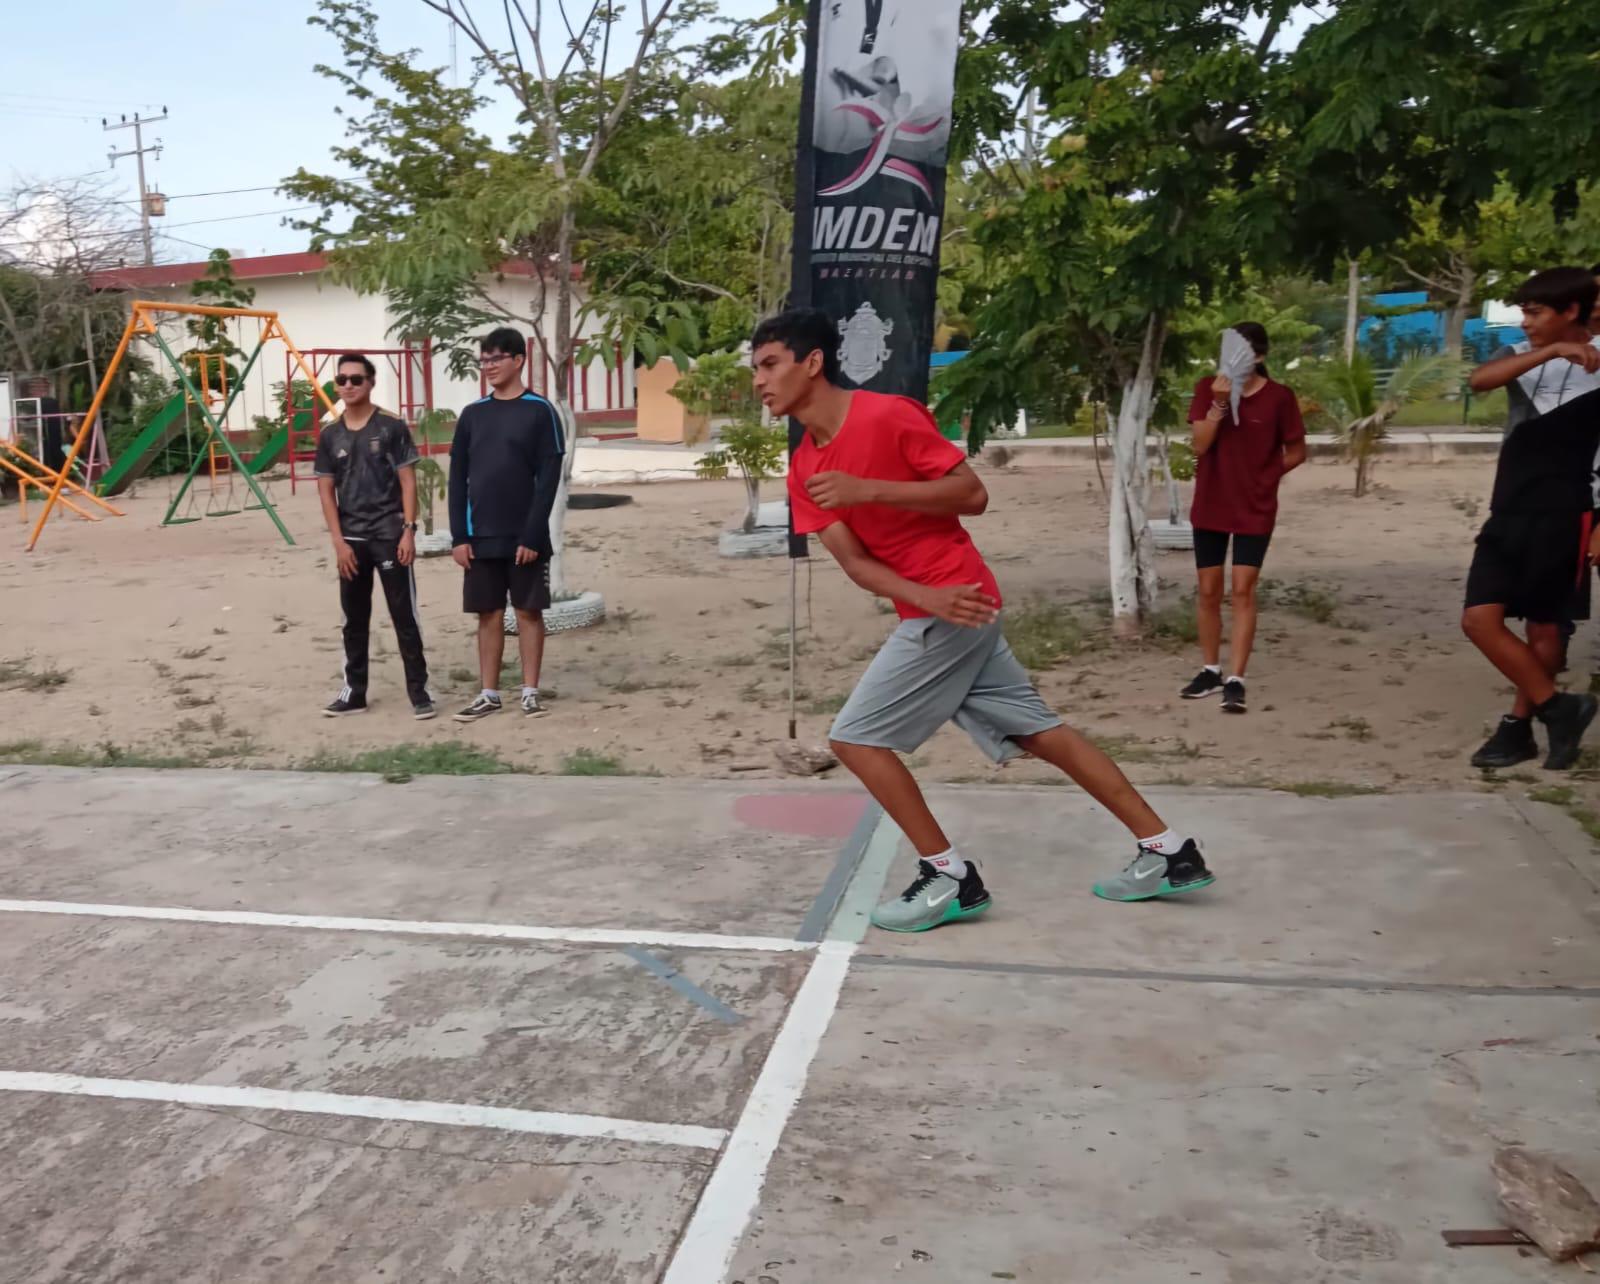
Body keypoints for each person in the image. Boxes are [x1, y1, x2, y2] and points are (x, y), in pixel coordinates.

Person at [755, 307, 1215, 929]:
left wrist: (871, 492)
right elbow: (858, 566)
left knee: (855, 740)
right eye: (755, 368)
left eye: (770, 364)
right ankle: (1169, 851)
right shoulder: (804, 467)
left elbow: (971, 494)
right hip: (942, 603)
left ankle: (948, 876)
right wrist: (922, 593)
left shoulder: (888, 415)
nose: (759, 380)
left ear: (812, 363)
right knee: (1037, 732)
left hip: (958, 599)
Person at [1463, 267, 1600, 769]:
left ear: (1570, 311)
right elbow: (1479, 381)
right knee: (1479, 619)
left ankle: (1522, 726)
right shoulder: (1520, 356)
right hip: (1510, 508)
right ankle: (1559, 707)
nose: (1526, 322)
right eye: (1524, 311)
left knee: (1546, 628)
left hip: (1566, 511)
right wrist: (1548, 351)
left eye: (1536, 312)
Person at [1179, 323, 1307, 714]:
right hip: (1212, 503)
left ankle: (1236, 678)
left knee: (1242, 589)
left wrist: (1266, 479)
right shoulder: (1207, 388)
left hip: (1255, 506)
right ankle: (1210, 670)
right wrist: (1219, 403)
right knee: (1208, 588)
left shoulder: (1279, 398)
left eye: (1242, 354)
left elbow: (1297, 451)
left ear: (1260, 357)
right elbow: (1201, 444)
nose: (1232, 361)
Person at [448, 328, 564, 723]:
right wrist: (459, 537)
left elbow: (549, 478)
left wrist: (533, 533)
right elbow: (457, 478)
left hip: (524, 537)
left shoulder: (540, 411)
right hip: (481, 535)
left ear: (518, 360)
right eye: (484, 359)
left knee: (528, 612)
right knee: (488, 613)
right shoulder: (473, 415)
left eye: (497, 358)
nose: (490, 366)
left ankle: (530, 691)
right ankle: (489, 693)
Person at [314, 353, 433, 720]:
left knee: (404, 616)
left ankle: (420, 693)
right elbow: (325, 491)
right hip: (352, 541)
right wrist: (338, 543)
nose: (348, 385)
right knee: (354, 618)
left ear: (371, 383)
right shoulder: (330, 435)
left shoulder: (391, 427)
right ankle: (354, 693)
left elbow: (408, 482)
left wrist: (408, 531)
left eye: (356, 379)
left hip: (389, 535)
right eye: (342, 380)